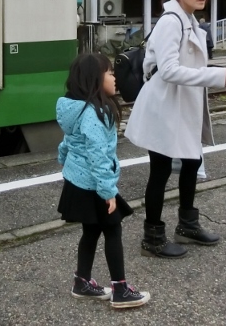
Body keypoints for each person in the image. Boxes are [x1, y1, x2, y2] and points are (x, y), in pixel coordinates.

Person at [125, 0, 226, 259]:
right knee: (161, 170)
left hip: (181, 104)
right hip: (164, 105)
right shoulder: (171, 22)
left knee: (191, 161)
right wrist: (216, 75)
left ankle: (187, 225)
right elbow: (168, 70)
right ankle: (152, 237)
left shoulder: (189, 20)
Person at [57, 52, 150, 309]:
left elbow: (69, 139)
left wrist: (63, 157)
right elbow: (98, 155)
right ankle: (120, 289)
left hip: (78, 181)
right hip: (95, 184)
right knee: (112, 229)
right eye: (110, 73)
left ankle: (82, 282)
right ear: (95, 79)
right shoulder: (95, 113)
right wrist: (108, 191)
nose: (115, 77)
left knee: (91, 231)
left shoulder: (75, 108)